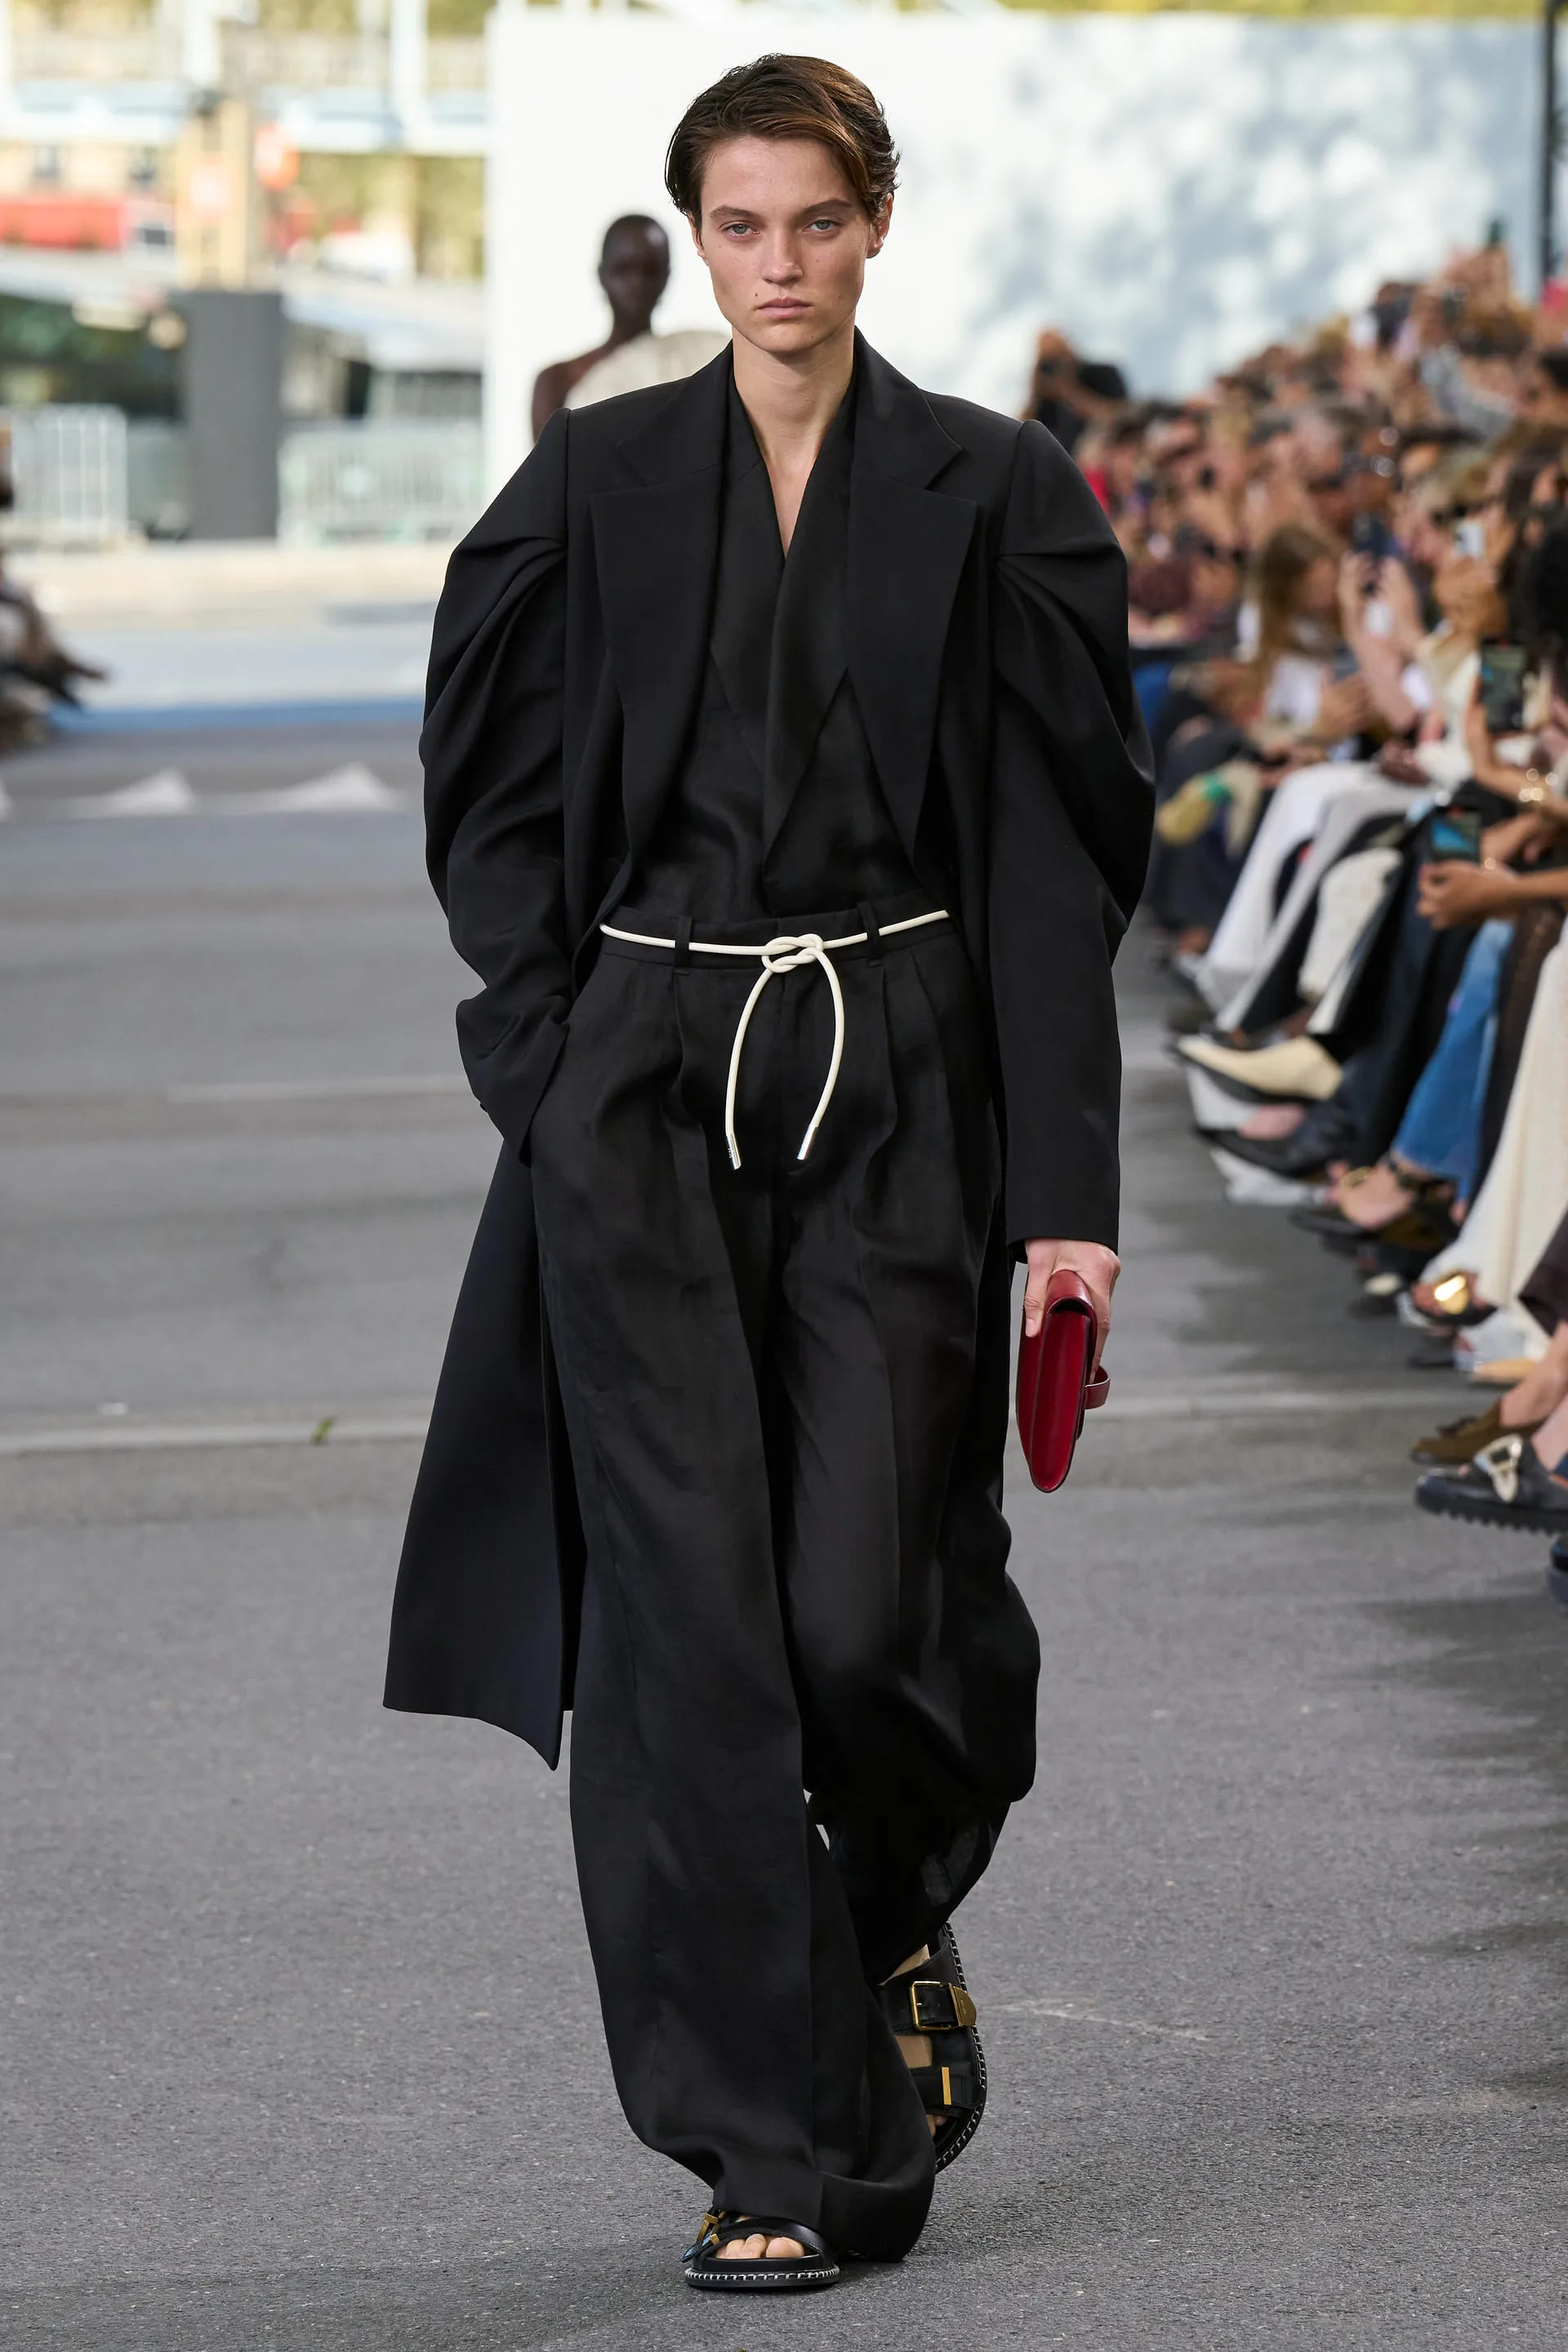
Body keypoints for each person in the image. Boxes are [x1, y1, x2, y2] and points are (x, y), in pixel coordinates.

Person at [386, 51, 1151, 2294]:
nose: (779, 263)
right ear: (697, 235)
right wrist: (545, 1054)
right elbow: (486, 786)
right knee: (689, 1639)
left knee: (865, 1608)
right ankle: (772, 2143)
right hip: (639, 1098)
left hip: (899, 1084)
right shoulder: (594, 482)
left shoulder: (995, 491)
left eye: (816, 220)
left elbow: (1052, 860)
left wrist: (1066, 1193)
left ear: (876, 223)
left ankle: (888, 1904)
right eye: (742, 224)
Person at [530, 213, 726, 442]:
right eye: (623, 269)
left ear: (666, 276)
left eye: (650, 270)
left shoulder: (693, 363)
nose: (637, 283)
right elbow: (549, 463)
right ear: (602, 274)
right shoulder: (559, 380)